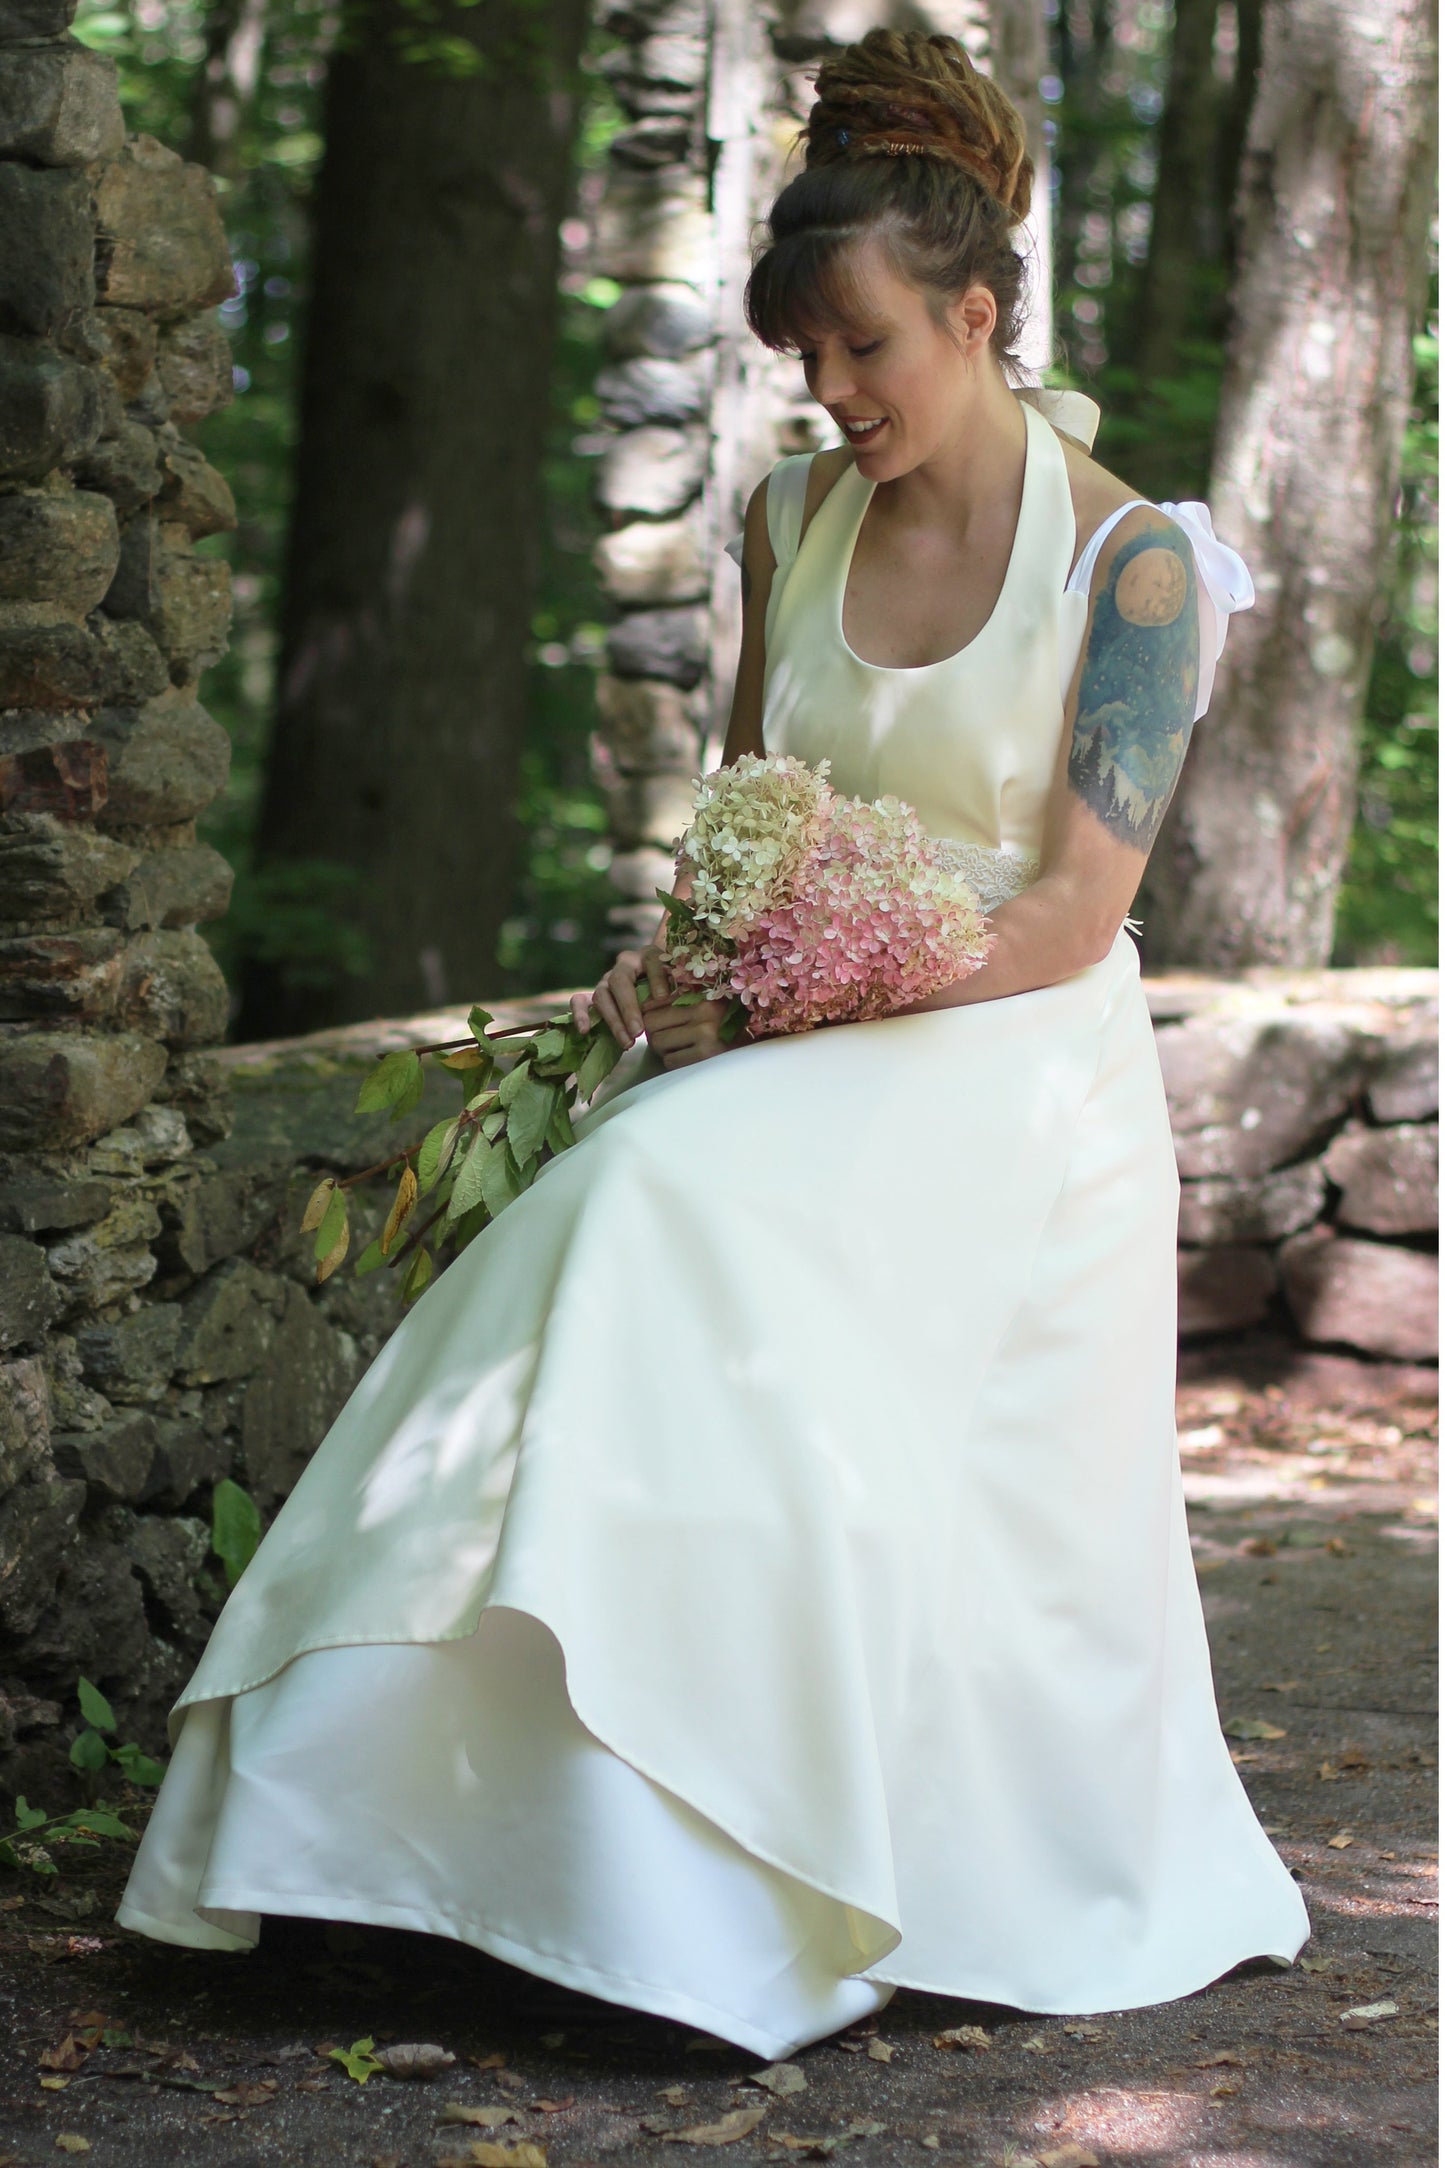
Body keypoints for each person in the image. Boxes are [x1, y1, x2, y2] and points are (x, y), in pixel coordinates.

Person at [117, 28, 1309, 2058]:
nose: (834, 399)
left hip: (1013, 1053)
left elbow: (1066, 917)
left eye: (868, 354)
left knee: (665, 1196)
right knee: (593, 1213)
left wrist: (806, 988)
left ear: (978, 314)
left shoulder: (1135, 572)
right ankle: (440, 1846)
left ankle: (703, 1884)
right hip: (809, 1018)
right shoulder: (786, 521)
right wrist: (690, 969)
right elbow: (756, 801)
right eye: (804, 363)